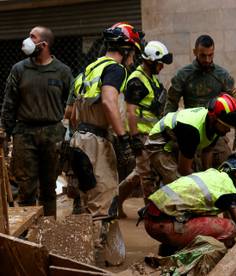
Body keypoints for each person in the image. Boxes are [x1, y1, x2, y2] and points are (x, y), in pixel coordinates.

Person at [69, 22, 143, 265]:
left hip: (79, 139)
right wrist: (123, 139)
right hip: (97, 142)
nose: (132, 59)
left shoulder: (89, 68)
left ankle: (81, 254)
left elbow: (71, 111)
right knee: (102, 202)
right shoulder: (115, 69)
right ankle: (88, 262)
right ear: (126, 49)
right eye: (133, 52)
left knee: (87, 198)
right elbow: (110, 102)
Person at [1, 26, 73, 217]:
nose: (27, 40)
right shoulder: (19, 69)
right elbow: (9, 103)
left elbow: (73, 103)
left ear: (44, 44)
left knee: (49, 188)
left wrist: (70, 131)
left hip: (52, 134)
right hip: (24, 134)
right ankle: (27, 238)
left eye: (32, 37)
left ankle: (46, 231)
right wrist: (5, 133)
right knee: (26, 188)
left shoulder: (62, 72)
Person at [141, 154, 236, 254]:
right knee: (230, 228)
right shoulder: (227, 187)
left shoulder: (210, 175)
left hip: (149, 221)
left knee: (207, 216)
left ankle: (168, 248)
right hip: (165, 227)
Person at [139, 93, 236, 202]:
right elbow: (184, 170)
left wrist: (209, 178)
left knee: (199, 178)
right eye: (226, 126)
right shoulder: (191, 130)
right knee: (178, 183)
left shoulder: (215, 125)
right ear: (214, 118)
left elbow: (207, 151)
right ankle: (159, 211)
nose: (228, 130)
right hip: (159, 143)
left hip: (178, 141)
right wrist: (206, 186)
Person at [164, 34, 236, 167]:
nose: (207, 59)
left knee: (226, 168)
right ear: (195, 52)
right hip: (191, 130)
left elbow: (235, 105)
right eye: (203, 55)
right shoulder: (183, 76)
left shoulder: (222, 76)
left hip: (216, 132)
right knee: (186, 173)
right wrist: (169, 134)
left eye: (211, 55)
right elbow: (171, 104)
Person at [118, 41, 173, 218]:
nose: (162, 66)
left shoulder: (152, 80)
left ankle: (115, 201)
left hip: (153, 135)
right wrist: (134, 138)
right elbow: (131, 111)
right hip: (141, 136)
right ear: (150, 61)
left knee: (138, 173)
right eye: (160, 63)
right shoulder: (136, 80)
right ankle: (152, 214)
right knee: (147, 176)